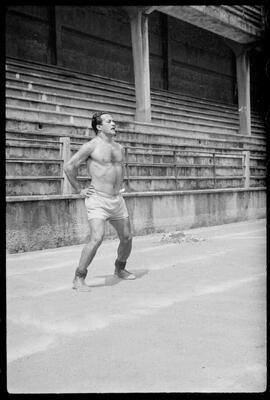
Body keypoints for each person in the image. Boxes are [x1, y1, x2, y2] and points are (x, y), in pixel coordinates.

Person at [64, 111, 135, 292]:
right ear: (99, 126)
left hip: (116, 199)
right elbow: (69, 166)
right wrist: (79, 189)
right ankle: (79, 277)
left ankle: (119, 268)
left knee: (127, 238)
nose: (114, 123)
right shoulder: (91, 146)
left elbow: (117, 170)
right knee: (97, 237)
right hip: (97, 199)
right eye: (109, 121)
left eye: (113, 120)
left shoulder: (119, 147)